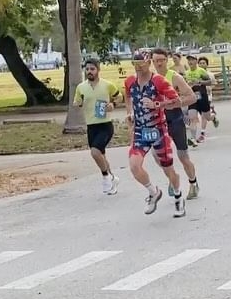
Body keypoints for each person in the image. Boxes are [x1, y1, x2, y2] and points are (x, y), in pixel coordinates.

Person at [124, 51, 186, 218]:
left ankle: (178, 196)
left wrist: (157, 104)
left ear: (148, 62)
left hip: (158, 130)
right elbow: (128, 98)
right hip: (140, 131)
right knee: (134, 166)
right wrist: (130, 113)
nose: (138, 67)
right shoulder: (129, 82)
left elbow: (177, 101)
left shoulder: (158, 81)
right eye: (135, 63)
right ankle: (153, 192)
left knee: (168, 168)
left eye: (141, 63)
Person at [152, 48, 201, 200]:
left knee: (183, 156)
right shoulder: (150, 78)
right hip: (158, 121)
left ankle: (193, 183)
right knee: (158, 155)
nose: (159, 63)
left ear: (167, 60)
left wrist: (174, 104)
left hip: (175, 118)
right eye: (156, 61)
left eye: (162, 60)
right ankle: (173, 177)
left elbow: (192, 97)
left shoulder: (174, 77)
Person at [73, 58, 122, 195]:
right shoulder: (81, 87)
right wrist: (77, 103)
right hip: (91, 126)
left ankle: (106, 176)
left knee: (95, 152)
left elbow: (119, 97)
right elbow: (77, 101)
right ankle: (112, 179)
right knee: (102, 156)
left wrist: (113, 105)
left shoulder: (107, 85)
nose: (89, 71)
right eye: (87, 69)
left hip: (105, 125)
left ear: (98, 70)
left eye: (92, 69)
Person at [184, 55, 213, 144]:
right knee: (192, 118)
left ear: (196, 61)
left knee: (208, 117)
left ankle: (213, 116)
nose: (190, 62)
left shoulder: (201, 71)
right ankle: (193, 139)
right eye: (189, 60)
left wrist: (199, 82)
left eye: (192, 60)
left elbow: (209, 82)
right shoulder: (187, 73)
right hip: (192, 98)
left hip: (202, 97)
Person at [198, 56, 219, 126]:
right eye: (200, 63)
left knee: (204, 115)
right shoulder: (196, 73)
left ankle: (202, 132)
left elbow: (214, 83)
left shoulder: (210, 74)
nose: (202, 65)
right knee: (204, 115)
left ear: (207, 64)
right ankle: (212, 116)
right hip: (199, 95)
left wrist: (210, 88)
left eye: (203, 63)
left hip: (208, 94)